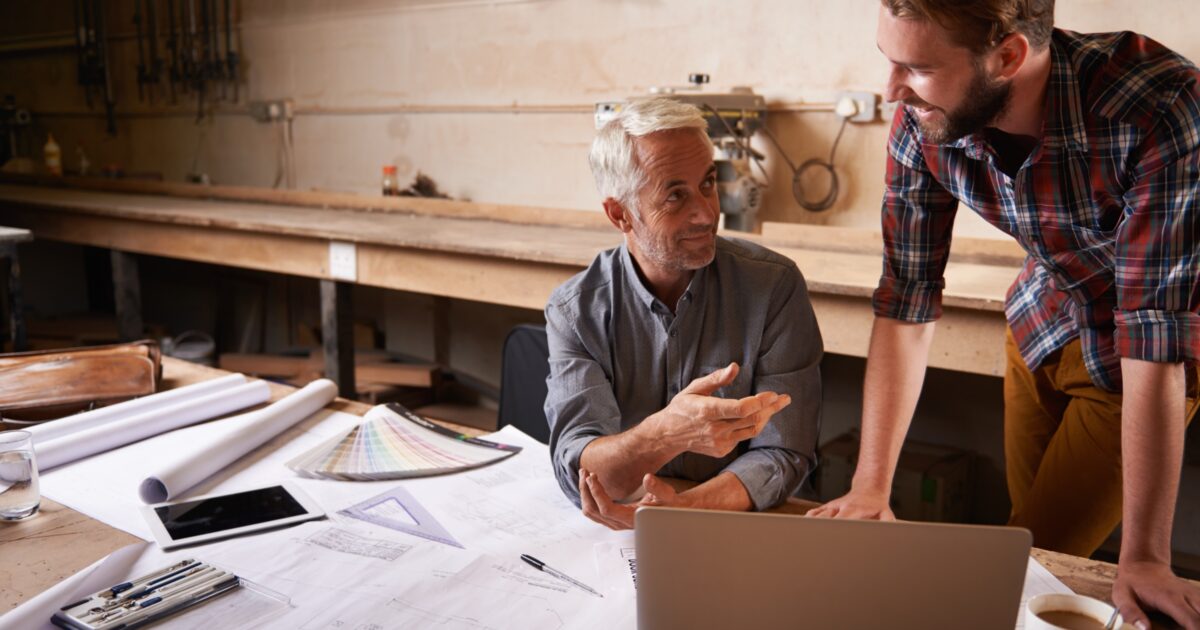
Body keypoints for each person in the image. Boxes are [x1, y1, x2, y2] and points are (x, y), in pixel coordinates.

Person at [809, 1, 1200, 626]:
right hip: (1037, 325)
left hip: (1132, 367)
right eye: (890, 61)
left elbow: (1152, 335)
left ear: (1010, 56)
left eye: (917, 68)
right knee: (1033, 550)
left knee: (1019, 563)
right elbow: (906, 295)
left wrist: (1147, 557)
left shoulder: (1159, 106)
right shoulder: (922, 117)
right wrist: (869, 489)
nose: (892, 91)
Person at [544, 97, 823, 530]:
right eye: (675, 195)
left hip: (732, 526)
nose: (706, 213)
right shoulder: (576, 311)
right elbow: (581, 470)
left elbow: (784, 452)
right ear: (621, 214)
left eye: (708, 183)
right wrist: (666, 433)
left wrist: (678, 514)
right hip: (617, 533)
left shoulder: (772, 288)